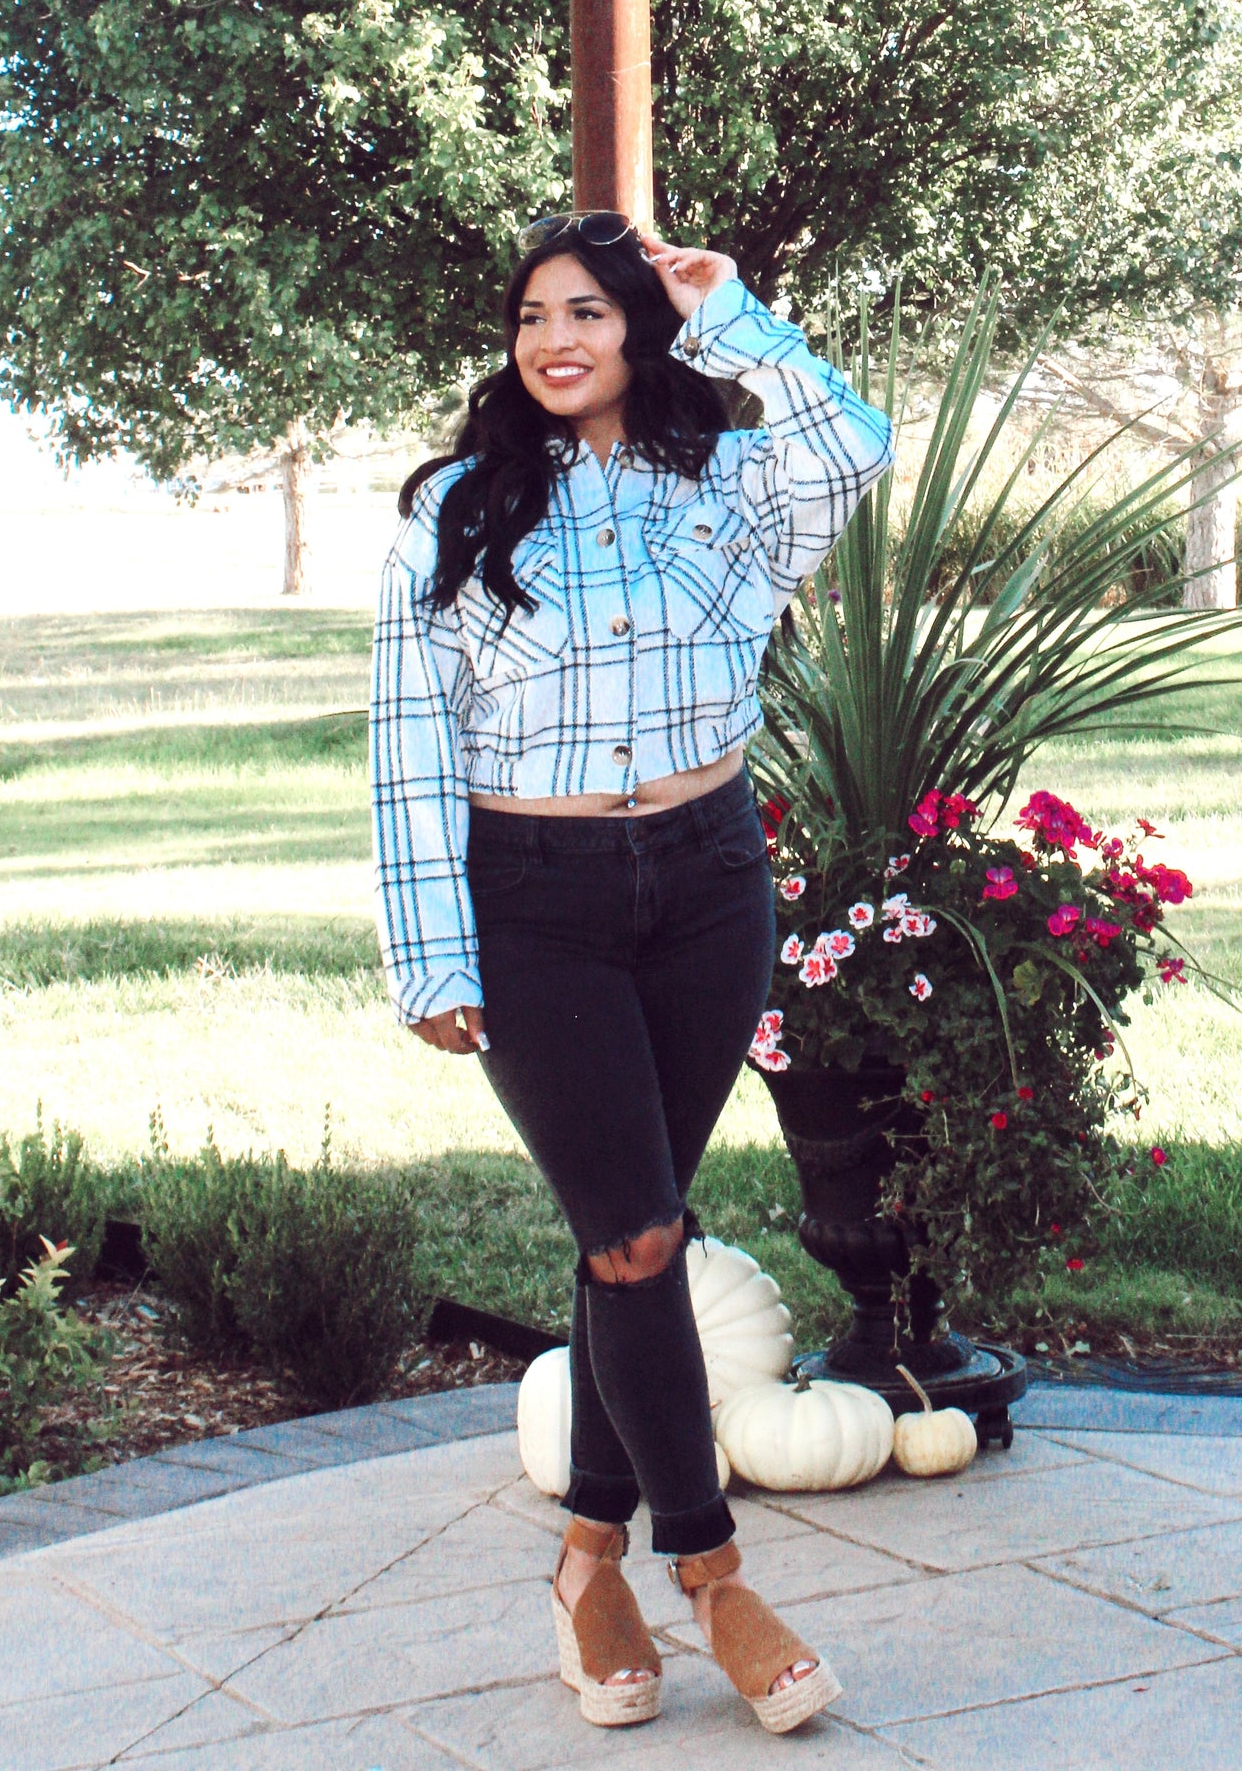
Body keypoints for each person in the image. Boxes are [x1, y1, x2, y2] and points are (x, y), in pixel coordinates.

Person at [370, 211, 894, 1735]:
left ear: (638, 329)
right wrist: (430, 952)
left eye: (587, 311)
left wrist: (732, 312)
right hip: (535, 901)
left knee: (631, 1229)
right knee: (636, 1236)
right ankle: (713, 1576)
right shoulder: (455, 510)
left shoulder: (730, 481)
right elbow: (408, 746)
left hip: (708, 883)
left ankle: (586, 1560)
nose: (554, 339)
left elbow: (853, 446)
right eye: (532, 314)